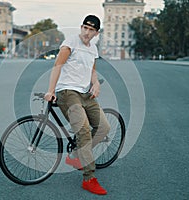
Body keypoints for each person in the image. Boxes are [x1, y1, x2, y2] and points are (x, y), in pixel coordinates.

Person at [44, 15, 110, 195]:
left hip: (85, 94)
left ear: (96, 33)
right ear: (81, 27)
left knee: (104, 127)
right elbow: (57, 66)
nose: (87, 33)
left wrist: (95, 84)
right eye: (85, 28)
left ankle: (77, 156)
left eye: (91, 30)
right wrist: (50, 91)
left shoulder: (93, 49)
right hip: (68, 93)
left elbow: (92, 70)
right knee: (83, 130)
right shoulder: (70, 43)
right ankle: (89, 178)